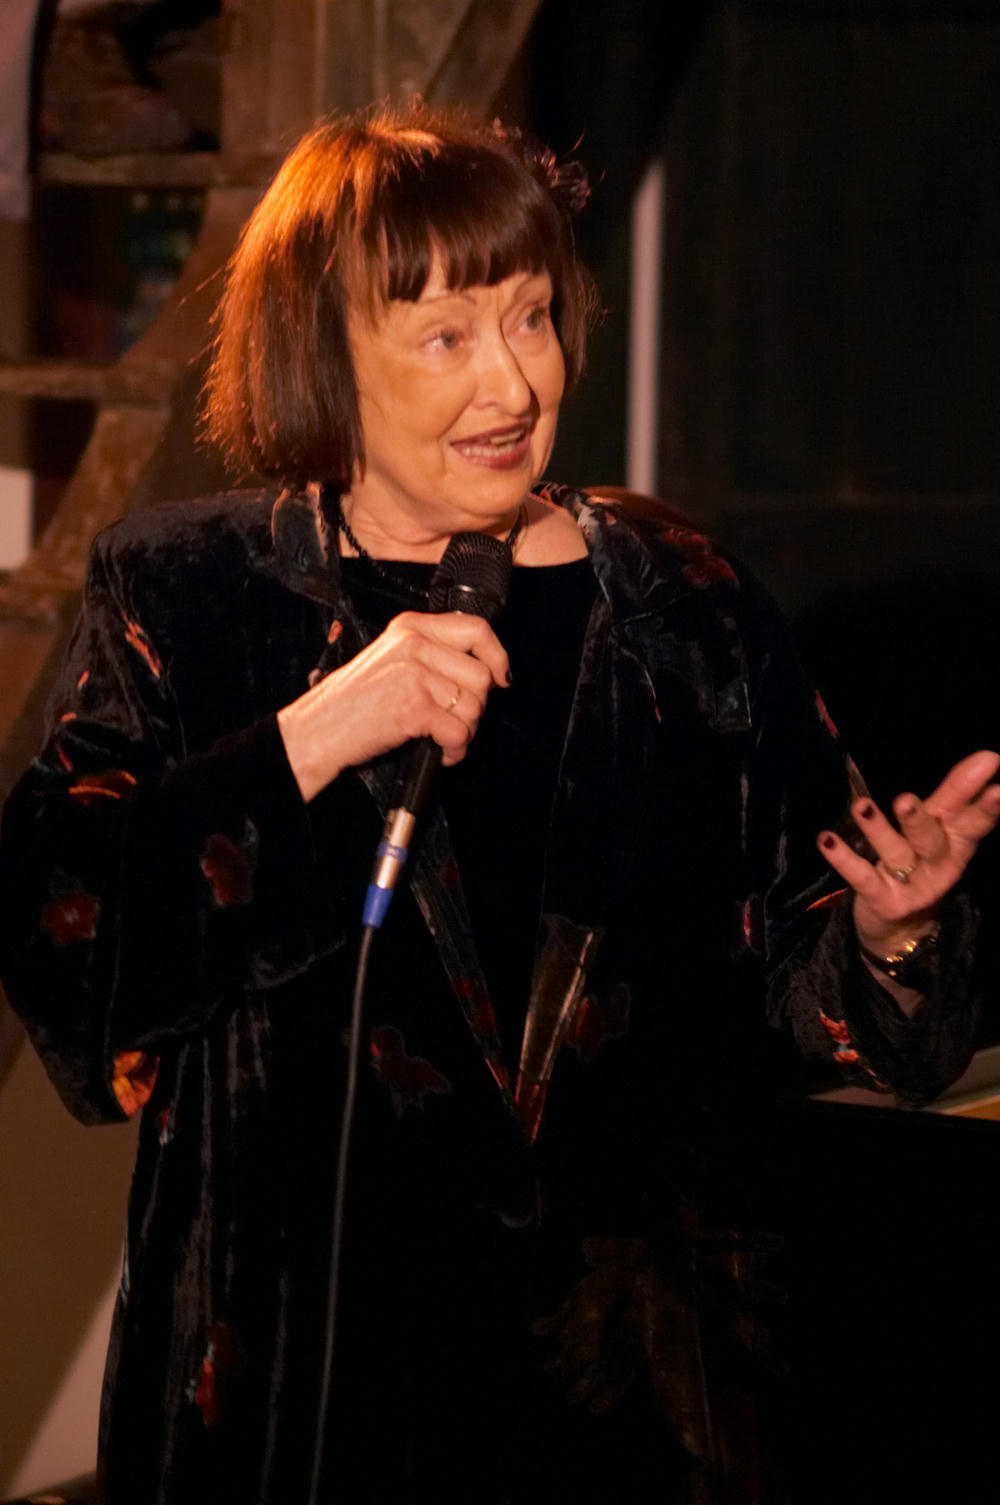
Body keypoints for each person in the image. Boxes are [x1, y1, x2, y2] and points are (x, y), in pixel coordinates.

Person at [0, 101, 997, 1505]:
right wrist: (316, 734)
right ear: (325, 352)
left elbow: (800, 987)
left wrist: (893, 934)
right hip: (302, 1409)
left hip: (626, 1411)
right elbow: (67, 956)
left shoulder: (681, 597)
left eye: (532, 318)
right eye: (447, 336)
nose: (514, 382)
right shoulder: (187, 594)